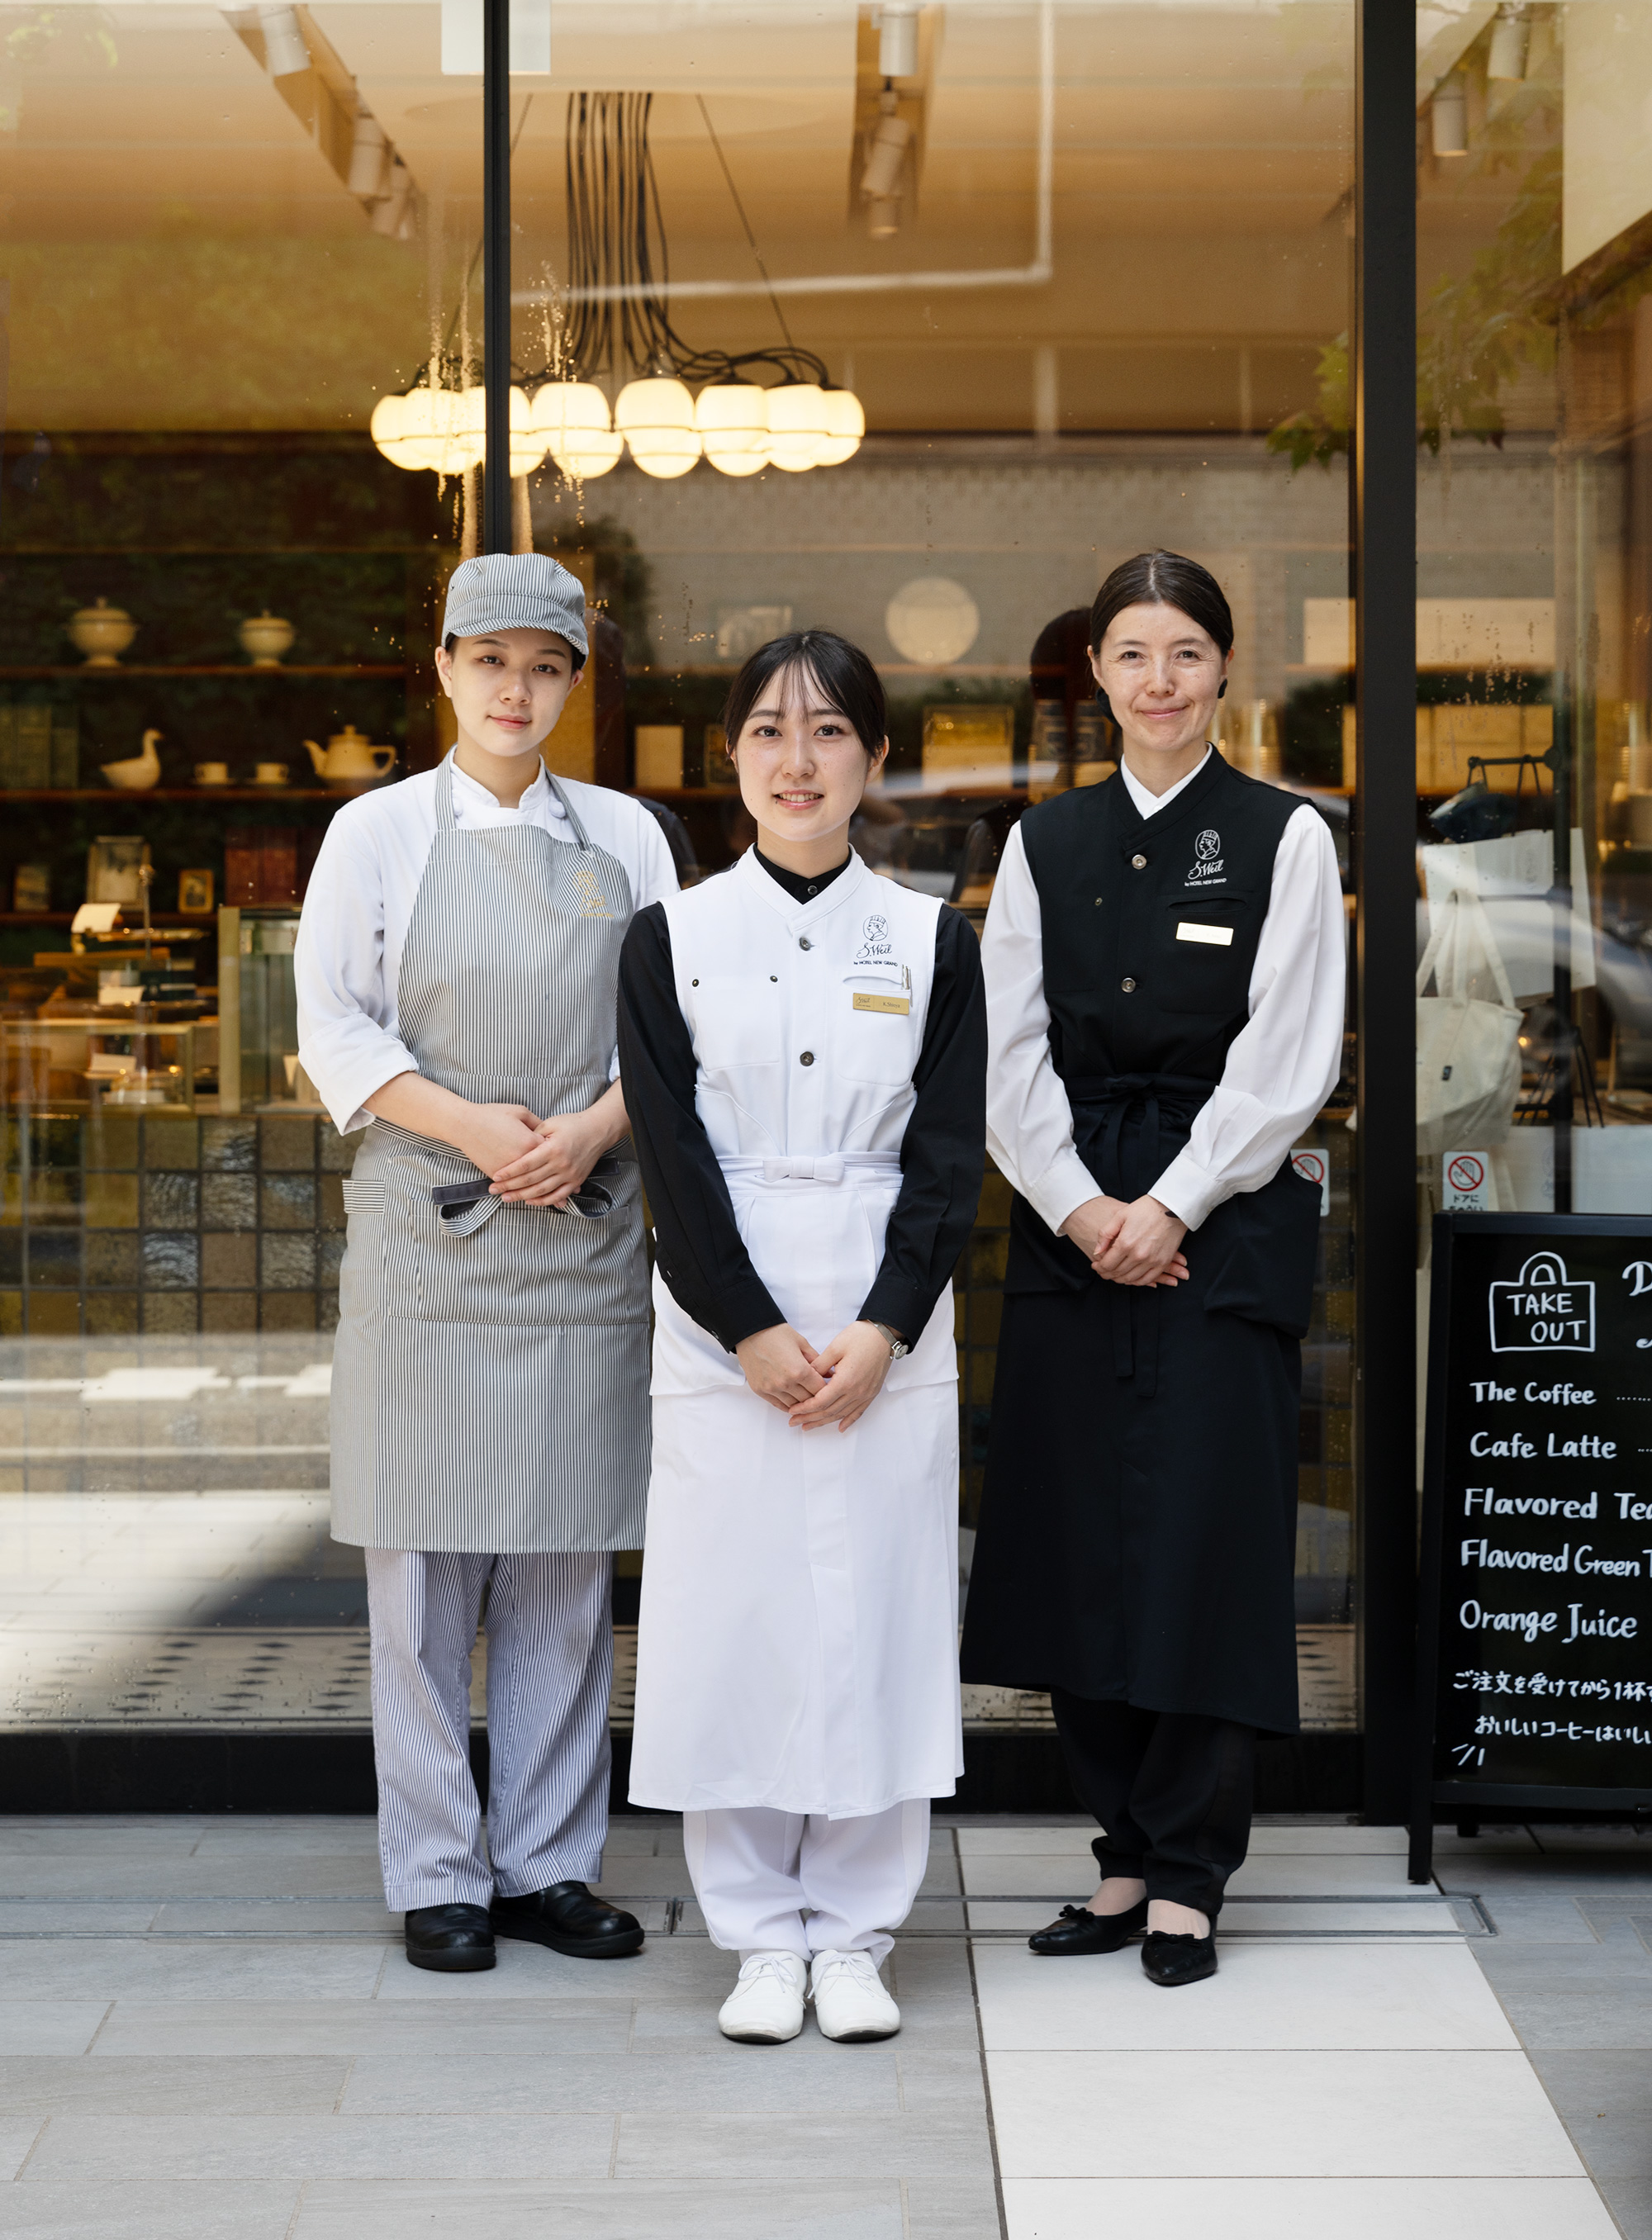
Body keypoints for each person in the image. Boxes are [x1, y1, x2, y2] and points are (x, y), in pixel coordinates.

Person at [960, 550, 1346, 1987]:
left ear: (1225, 668)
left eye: (1186, 651)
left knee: (1202, 1540)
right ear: (1098, 675)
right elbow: (1004, 1051)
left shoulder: (1285, 835)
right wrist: (1079, 1208)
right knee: (1075, 1540)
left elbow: (1291, 1054)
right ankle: (1120, 1853)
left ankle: (1189, 1874)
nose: (1161, 679)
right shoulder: (1043, 842)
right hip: (1071, 1217)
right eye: (1134, 653)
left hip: (1222, 1214)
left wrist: (1171, 1205)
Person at [296, 552, 677, 1973]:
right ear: (447, 667)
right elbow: (334, 1027)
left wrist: (586, 1134)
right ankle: (438, 1872)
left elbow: (675, 1027)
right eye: (492, 661)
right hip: (432, 1241)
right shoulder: (377, 833)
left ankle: (548, 1863)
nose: (517, 690)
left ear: (576, 683)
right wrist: (474, 1128)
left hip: (580, 1229)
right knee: (419, 1584)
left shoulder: (628, 836)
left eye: (546, 666)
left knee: (565, 1574)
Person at [617, 629, 985, 2045]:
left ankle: (860, 1934)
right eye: (769, 731)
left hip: (890, 1310)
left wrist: (888, 1326)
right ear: (731, 757)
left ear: (875, 758)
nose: (797, 760)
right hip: (726, 1318)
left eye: (829, 731)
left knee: (881, 1613)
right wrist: (750, 1330)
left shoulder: (933, 938)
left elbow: (948, 1157)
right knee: (737, 1617)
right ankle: (761, 1940)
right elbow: (671, 1157)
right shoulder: (672, 937)